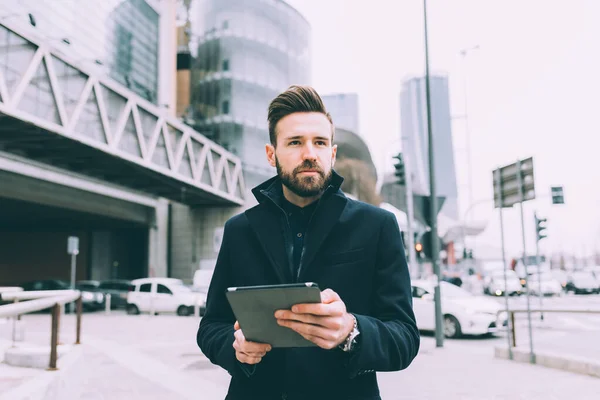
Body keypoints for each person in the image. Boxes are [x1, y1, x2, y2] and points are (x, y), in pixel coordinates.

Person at [197, 85, 420, 400]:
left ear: (333, 152)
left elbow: (405, 337)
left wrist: (351, 330)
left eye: (320, 142)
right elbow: (211, 326)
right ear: (271, 153)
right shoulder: (239, 230)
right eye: (295, 142)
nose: (310, 153)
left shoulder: (378, 226)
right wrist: (235, 348)